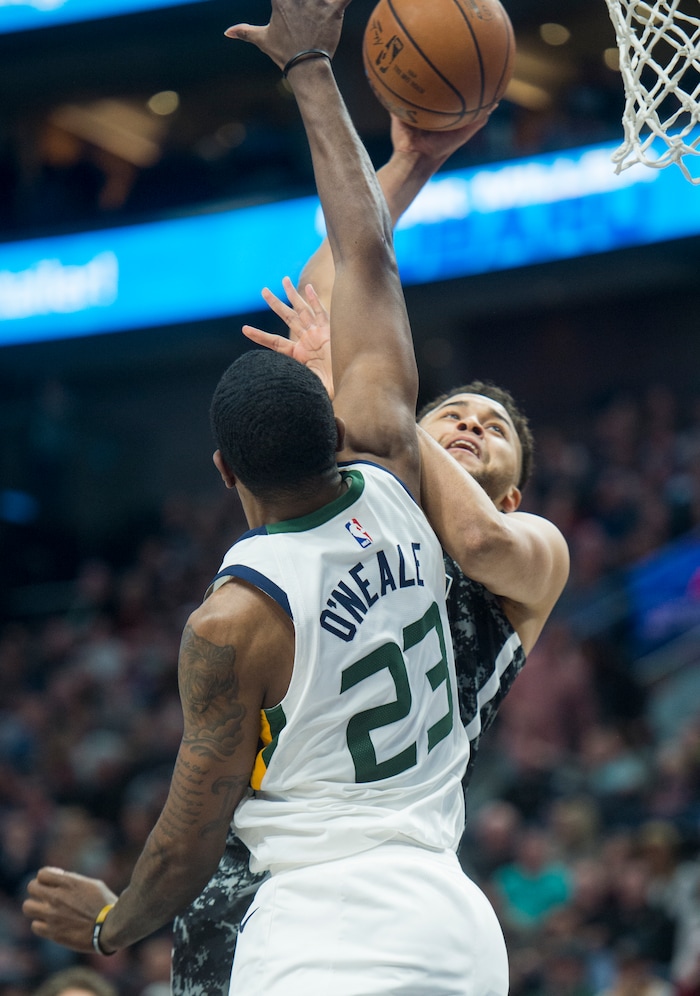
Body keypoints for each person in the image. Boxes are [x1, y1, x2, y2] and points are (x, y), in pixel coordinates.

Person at [22, 0, 509, 993]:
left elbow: (189, 838)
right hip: (458, 935)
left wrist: (114, 926)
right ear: (334, 429)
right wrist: (314, 74)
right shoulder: (390, 470)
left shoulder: (233, 622)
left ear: (221, 473)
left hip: (322, 945)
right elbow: (364, 260)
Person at [171, 95, 570, 996]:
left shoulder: (531, 547)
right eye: (452, 413)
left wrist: (378, 407)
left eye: (491, 429)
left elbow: (471, 532)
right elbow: (333, 287)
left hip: (361, 894)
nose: (469, 420)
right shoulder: (345, 500)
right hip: (244, 879)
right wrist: (411, 164)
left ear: (512, 486)